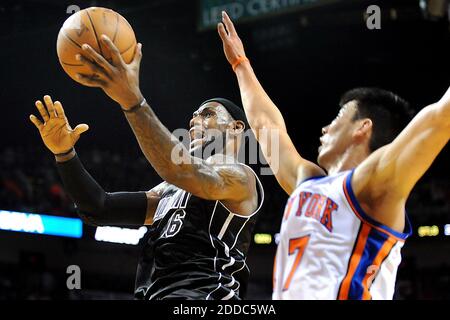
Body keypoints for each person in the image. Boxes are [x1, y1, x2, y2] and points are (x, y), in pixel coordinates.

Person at [217, 11, 450, 299]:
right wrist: (240, 64)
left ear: (363, 128)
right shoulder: (307, 181)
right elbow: (267, 127)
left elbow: (440, 119)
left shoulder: (375, 184)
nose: (326, 127)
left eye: (339, 116)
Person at [29, 36, 264, 299]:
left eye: (207, 113)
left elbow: (183, 171)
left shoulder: (241, 177)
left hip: (205, 296)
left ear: (236, 127)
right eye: (195, 115)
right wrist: (65, 154)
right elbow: (98, 208)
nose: (194, 119)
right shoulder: (169, 191)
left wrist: (132, 100)